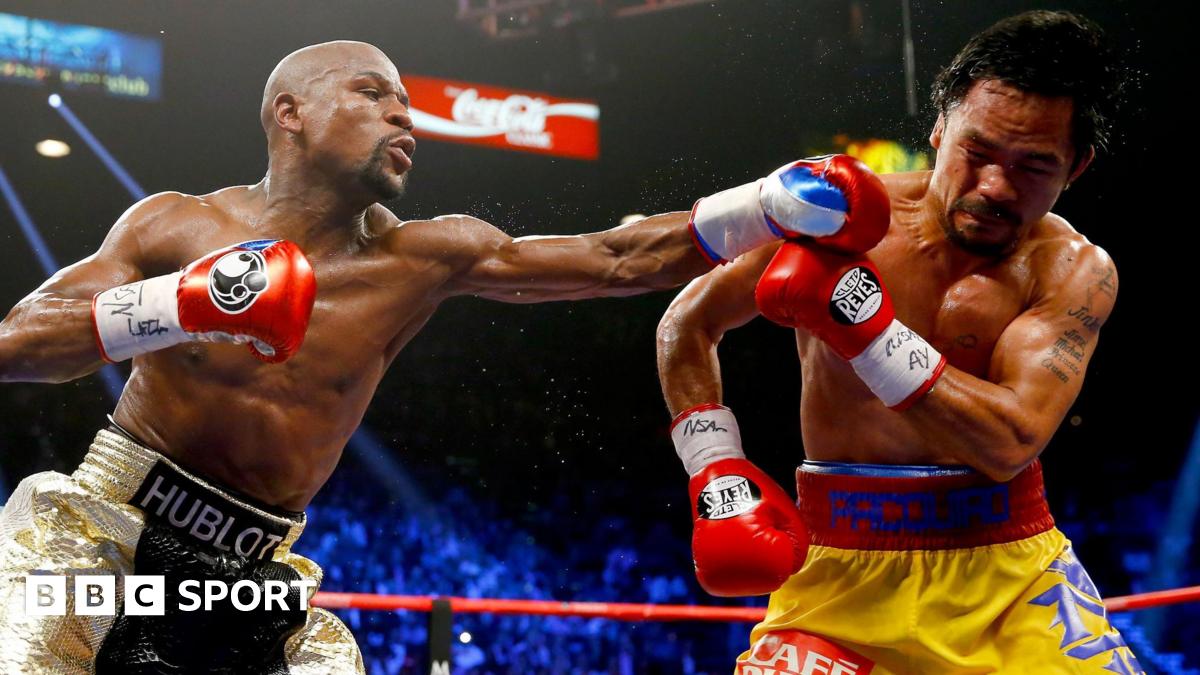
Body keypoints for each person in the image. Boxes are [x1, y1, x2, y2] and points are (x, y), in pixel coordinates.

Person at [0, 40, 881, 673]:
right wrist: (179, 304)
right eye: (372, 93)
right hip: (103, 532)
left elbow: (615, 258)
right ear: (290, 113)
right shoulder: (176, 224)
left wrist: (765, 206)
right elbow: (16, 344)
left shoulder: (424, 257)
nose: (401, 114)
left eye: (406, 104)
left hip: (256, 569)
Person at [657, 11, 1140, 674]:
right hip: (841, 570)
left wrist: (866, 330)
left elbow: (1008, 441)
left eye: (1033, 166)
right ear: (940, 127)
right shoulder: (832, 218)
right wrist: (714, 465)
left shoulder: (1074, 270)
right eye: (977, 152)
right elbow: (687, 321)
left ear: (1076, 167)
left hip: (1010, 577)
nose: (995, 186)